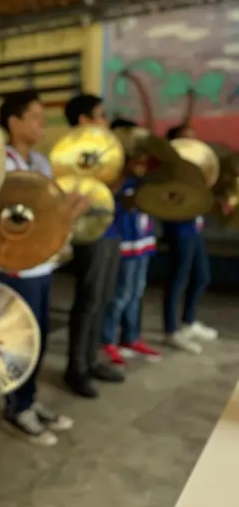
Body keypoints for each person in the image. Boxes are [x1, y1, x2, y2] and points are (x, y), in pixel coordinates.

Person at [0, 90, 87, 446]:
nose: (42, 124)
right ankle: (16, 409)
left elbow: (49, 210)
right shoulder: (1, 163)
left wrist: (69, 210)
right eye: (35, 117)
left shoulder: (40, 162)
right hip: (13, 266)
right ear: (13, 122)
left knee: (39, 337)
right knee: (18, 343)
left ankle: (29, 400)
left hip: (41, 265)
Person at [63, 94, 125, 399]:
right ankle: (76, 368)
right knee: (88, 300)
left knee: (103, 298)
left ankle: (91, 359)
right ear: (84, 121)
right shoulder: (71, 155)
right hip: (91, 232)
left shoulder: (104, 152)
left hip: (111, 229)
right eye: (100, 115)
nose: (106, 121)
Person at [100, 120, 162, 366]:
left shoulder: (144, 180)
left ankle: (131, 338)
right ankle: (107, 340)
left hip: (143, 241)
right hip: (125, 243)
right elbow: (109, 206)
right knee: (121, 294)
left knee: (137, 292)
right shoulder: (116, 179)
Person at [161, 124, 217, 354]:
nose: (193, 144)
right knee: (178, 279)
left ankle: (189, 321)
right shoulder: (168, 171)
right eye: (186, 139)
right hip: (179, 229)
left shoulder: (197, 168)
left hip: (194, 228)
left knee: (202, 276)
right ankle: (171, 331)